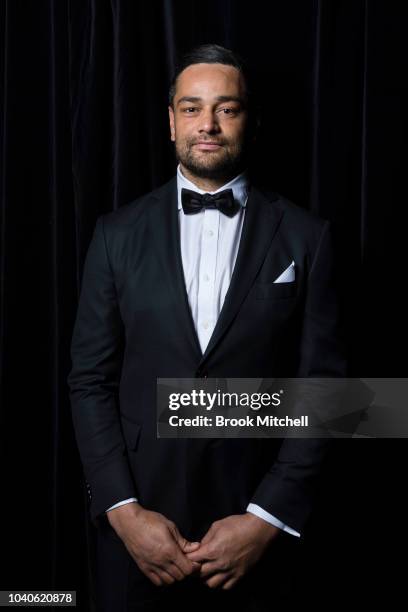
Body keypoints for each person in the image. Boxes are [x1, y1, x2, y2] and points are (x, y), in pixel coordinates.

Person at [67, 43, 346, 611]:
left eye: (228, 108)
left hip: (258, 543)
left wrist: (267, 519)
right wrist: (123, 510)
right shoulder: (114, 234)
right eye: (192, 109)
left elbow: (330, 392)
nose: (209, 125)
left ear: (251, 120)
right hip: (137, 536)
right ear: (171, 122)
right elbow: (89, 381)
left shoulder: (308, 237)